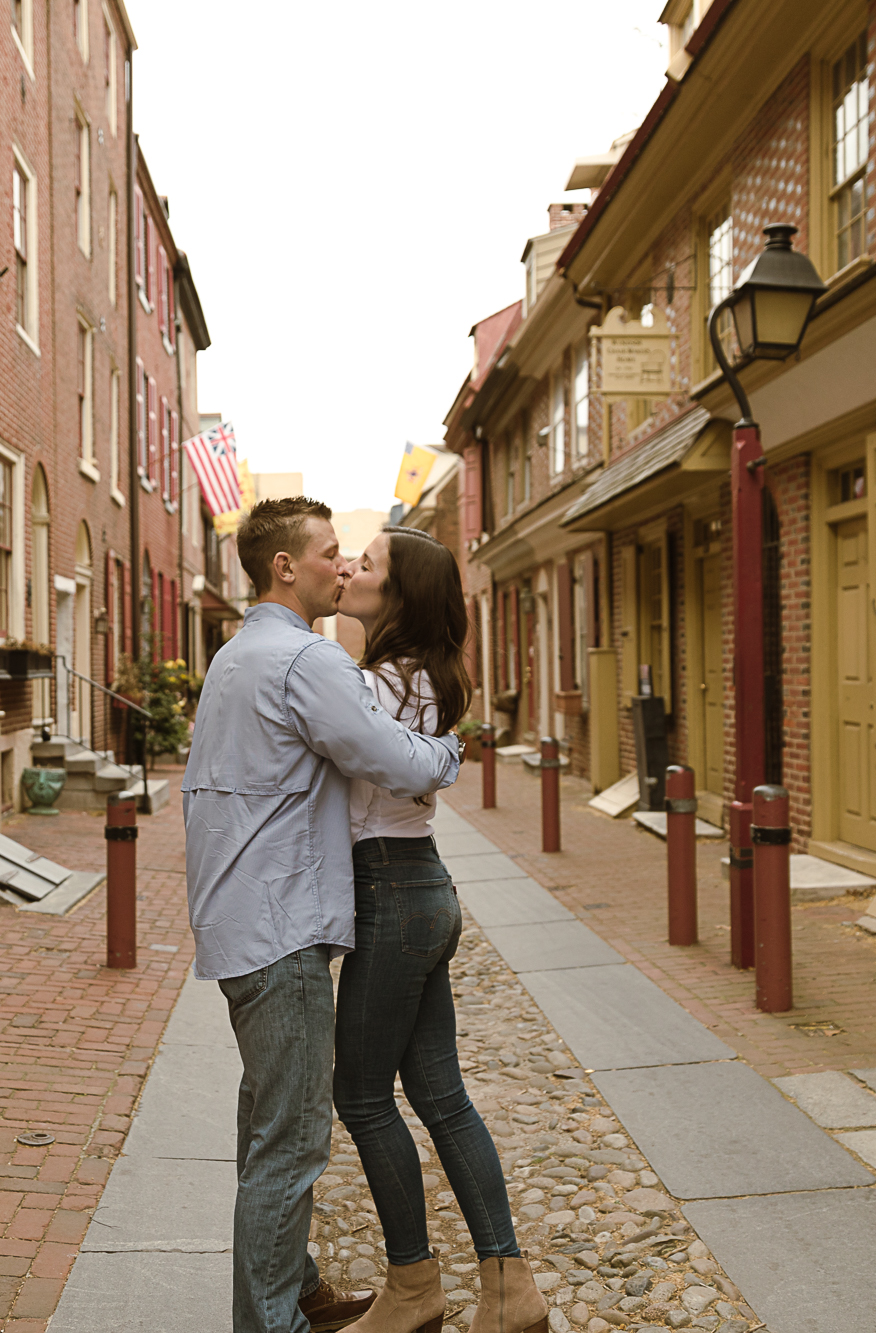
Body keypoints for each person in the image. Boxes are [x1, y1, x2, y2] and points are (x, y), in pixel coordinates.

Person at [183, 498, 464, 1333]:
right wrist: (450, 748)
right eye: (331, 554)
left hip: (240, 919)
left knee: (266, 1120)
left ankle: (296, 1286)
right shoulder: (308, 660)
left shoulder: (234, 655)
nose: (341, 567)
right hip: (282, 926)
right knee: (292, 1137)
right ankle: (274, 1322)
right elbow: (391, 754)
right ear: (285, 567)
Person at [331, 527, 546, 1333]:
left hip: (391, 888)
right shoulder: (424, 678)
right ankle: (508, 1286)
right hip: (425, 885)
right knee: (440, 1093)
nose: (351, 566)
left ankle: (415, 1284)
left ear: (399, 596)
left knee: (358, 1091)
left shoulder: (379, 685)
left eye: (369, 563)